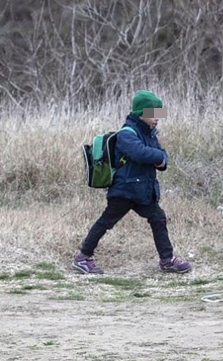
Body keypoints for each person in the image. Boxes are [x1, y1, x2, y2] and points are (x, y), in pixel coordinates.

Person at [72, 90, 192, 275]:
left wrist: (161, 159)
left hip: (142, 191)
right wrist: (159, 157)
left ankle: (167, 260)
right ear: (141, 113)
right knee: (106, 222)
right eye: (154, 112)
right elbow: (140, 153)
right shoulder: (126, 133)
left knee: (158, 218)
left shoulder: (150, 133)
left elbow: (160, 157)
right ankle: (82, 257)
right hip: (125, 190)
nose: (158, 117)